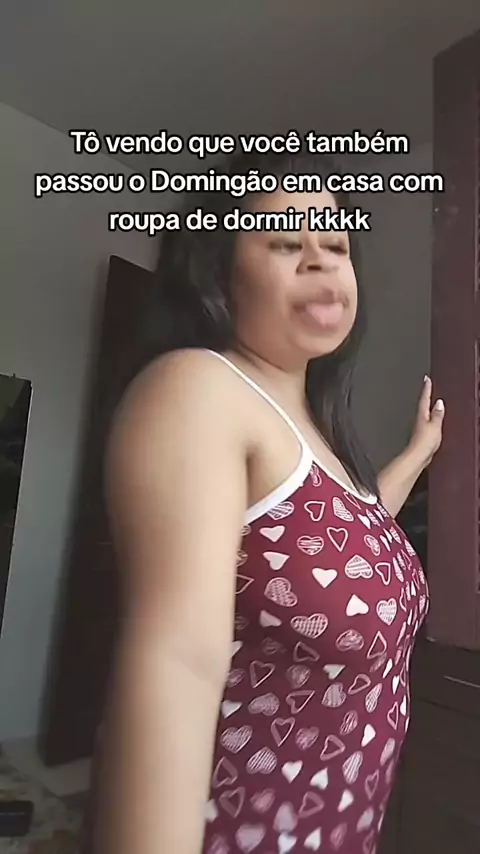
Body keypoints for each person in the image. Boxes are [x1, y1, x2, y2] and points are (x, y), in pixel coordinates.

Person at [92, 149, 444, 854]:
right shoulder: (200, 388)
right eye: (286, 242)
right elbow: (179, 663)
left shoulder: (321, 443)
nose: (320, 260)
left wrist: (420, 451)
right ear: (219, 271)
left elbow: (354, 536)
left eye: (337, 246)